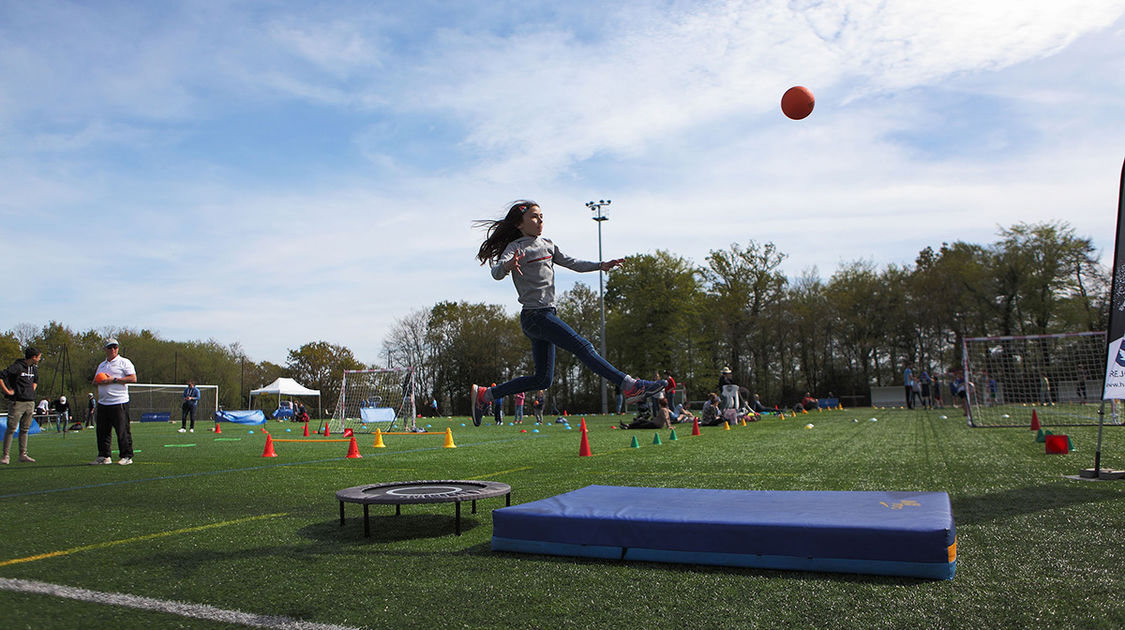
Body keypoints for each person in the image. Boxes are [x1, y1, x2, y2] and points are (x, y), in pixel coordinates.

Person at [469, 200, 666, 426]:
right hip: (536, 316)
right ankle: (630, 385)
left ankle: (486, 395)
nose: (540, 220)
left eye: (542, 216)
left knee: (543, 378)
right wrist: (507, 266)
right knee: (583, 346)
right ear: (519, 224)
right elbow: (496, 273)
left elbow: (573, 263)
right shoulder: (516, 248)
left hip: (545, 316)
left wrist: (601, 265)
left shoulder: (549, 245)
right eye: (534, 216)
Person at [90, 338, 137, 465]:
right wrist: (98, 381)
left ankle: (126, 456)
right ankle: (104, 456)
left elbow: (133, 378)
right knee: (102, 431)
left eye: (115, 347)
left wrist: (113, 380)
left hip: (119, 401)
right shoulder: (102, 365)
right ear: (105, 349)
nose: (113, 350)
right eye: (110, 347)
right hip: (103, 402)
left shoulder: (124, 362)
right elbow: (95, 381)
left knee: (122, 430)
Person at [1, 346, 42, 464]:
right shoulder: (17, 366)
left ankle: (23, 455)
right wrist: (8, 391)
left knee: (25, 429)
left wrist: (31, 391)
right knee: (11, 429)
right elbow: (1, 376)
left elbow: (36, 381)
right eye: (38, 357)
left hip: (30, 402)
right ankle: (5, 456)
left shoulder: (34, 369)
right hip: (17, 402)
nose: (39, 359)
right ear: (33, 357)